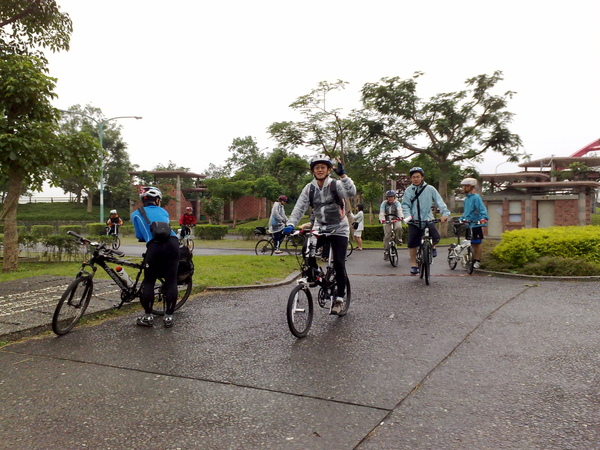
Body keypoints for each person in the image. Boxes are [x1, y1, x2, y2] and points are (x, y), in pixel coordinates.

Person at [283, 154, 356, 315]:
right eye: (317, 167)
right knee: (305, 249)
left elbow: (350, 192)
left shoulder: (335, 185)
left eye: (323, 167)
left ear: (329, 170)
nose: (320, 170)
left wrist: (343, 175)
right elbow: (299, 208)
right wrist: (290, 224)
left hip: (339, 228)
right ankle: (317, 275)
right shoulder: (309, 188)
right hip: (320, 227)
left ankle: (339, 299)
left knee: (338, 263)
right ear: (313, 171)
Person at [131, 186, 179, 328]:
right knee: (171, 281)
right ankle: (169, 318)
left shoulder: (136, 214)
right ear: (157, 200)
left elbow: (140, 235)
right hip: (172, 244)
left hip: (155, 247)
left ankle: (148, 317)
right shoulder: (163, 211)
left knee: (149, 281)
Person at [401, 167, 451, 275]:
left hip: (427, 219)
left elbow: (440, 202)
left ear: (422, 177)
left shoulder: (430, 189)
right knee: (412, 243)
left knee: (436, 237)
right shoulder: (408, 190)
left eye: (418, 177)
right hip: (414, 221)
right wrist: (408, 216)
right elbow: (405, 205)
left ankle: (433, 246)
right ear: (411, 179)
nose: (416, 179)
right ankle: (414, 265)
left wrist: (445, 214)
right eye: (413, 177)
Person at [458, 177, 488, 269]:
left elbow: (482, 209)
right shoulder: (466, 199)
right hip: (468, 224)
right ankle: (471, 260)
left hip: (475, 224)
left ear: (470, 187)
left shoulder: (476, 198)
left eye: (464, 186)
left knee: (477, 243)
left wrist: (484, 218)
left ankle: (477, 261)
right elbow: (466, 212)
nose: (463, 188)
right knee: (470, 244)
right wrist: (461, 219)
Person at [379, 190, 403, 260]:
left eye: (392, 197)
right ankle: (386, 251)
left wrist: (400, 217)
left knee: (398, 228)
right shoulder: (384, 203)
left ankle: (399, 240)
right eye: (389, 197)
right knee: (387, 235)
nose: (390, 199)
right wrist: (382, 220)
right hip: (387, 220)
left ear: (394, 197)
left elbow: (399, 210)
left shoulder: (397, 203)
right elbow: (382, 212)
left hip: (396, 219)